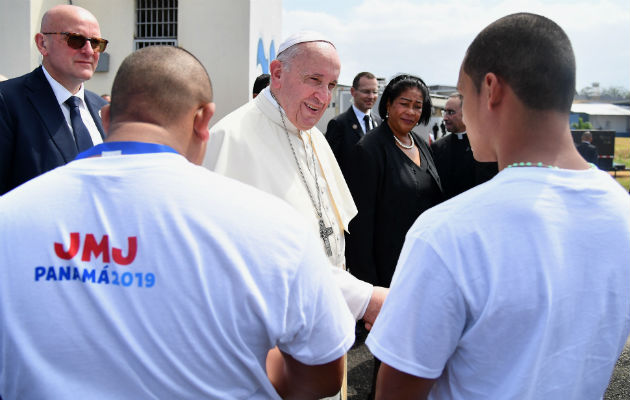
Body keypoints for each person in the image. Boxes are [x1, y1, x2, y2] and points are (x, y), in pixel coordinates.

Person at [0, 45, 355, 400]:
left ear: (106, 119)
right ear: (203, 121)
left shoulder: (10, 215)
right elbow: (320, 374)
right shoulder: (277, 227)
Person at [367, 13, 630, 400]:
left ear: (490, 89)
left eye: (463, 94)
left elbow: (397, 391)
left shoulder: (448, 232)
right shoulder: (621, 214)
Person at [205, 31, 388, 399]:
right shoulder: (231, 138)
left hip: (322, 328)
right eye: (313, 80)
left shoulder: (314, 137)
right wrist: (363, 298)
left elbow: (328, 238)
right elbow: (259, 262)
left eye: (332, 84)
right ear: (277, 73)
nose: (323, 96)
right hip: (270, 351)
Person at [346, 74, 443, 288]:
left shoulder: (421, 145)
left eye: (417, 106)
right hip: (387, 272)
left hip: (423, 265)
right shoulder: (369, 149)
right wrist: (370, 288)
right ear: (388, 104)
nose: (411, 112)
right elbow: (360, 227)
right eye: (404, 104)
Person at [0, 4, 109, 195]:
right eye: (76, 40)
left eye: (96, 43)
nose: (89, 51)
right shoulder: (7, 101)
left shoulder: (104, 109)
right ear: (43, 44)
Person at [431, 92, 498, 200]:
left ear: (467, 112)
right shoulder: (437, 148)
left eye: (451, 112)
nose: (445, 118)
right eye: (445, 112)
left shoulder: (486, 147)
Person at [325, 71, 382, 178]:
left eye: (374, 92)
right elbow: (330, 165)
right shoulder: (338, 124)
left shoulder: (379, 123)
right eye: (366, 91)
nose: (371, 96)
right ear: (353, 92)